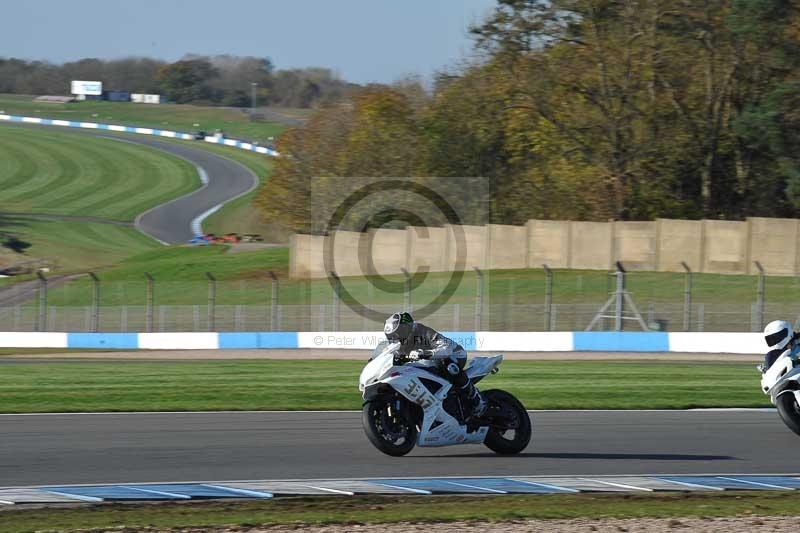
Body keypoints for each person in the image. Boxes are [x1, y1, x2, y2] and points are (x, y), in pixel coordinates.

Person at [383, 312, 486, 419]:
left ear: (407, 328)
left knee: (448, 365)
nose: (395, 338)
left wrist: (426, 353)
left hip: (454, 355)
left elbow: (446, 348)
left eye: (398, 334)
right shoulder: (396, 345)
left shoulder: (423, 331)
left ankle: (477, 400)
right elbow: (386, 355)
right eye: (391, 336)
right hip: (426, 364)